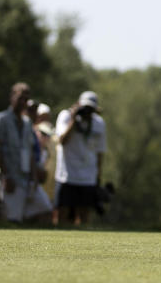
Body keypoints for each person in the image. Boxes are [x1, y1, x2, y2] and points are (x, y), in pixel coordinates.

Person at [0, 83, 52, 223]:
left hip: (25, 177)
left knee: (44, 208)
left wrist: (34, 177)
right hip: (9, 177)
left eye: (26, 99)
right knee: (12, 219)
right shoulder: (1, 119)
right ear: (12, 97)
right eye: (20, 98)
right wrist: (6, 176)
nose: (23, 102)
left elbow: (29, 151)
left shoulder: (27, 123)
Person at [53, 91, 106, 226]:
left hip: (88, 176)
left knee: (84, 214)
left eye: (90, 109)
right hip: (67, 175)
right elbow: (62, 140)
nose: (87, 112)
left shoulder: (99, 123)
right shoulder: (65, 116)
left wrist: (98, 176)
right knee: (63, 213)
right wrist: (73, 120)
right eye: (85, 108)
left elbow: (100, 151)